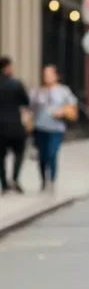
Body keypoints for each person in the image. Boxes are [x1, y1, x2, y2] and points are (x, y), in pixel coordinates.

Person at [30, 66, 77, 190]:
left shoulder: (63, 91)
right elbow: (30, 108)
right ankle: (43, 180)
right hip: (40, 127)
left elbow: (72, 105)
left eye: (50, 74)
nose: (47, 77)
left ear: (56, 76)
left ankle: (52, 179)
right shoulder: (37, 91)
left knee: (52, 153)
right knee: (42, 156)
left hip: (56, 128)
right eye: (45, 74)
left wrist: (62, 112)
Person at [0, 56, 29, 194]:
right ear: (7, 67)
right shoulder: (16, 84)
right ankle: (15, 179)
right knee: (19, 152)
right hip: (15, 125)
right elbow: (26, 101)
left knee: (1, 156)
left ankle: (4, 184)